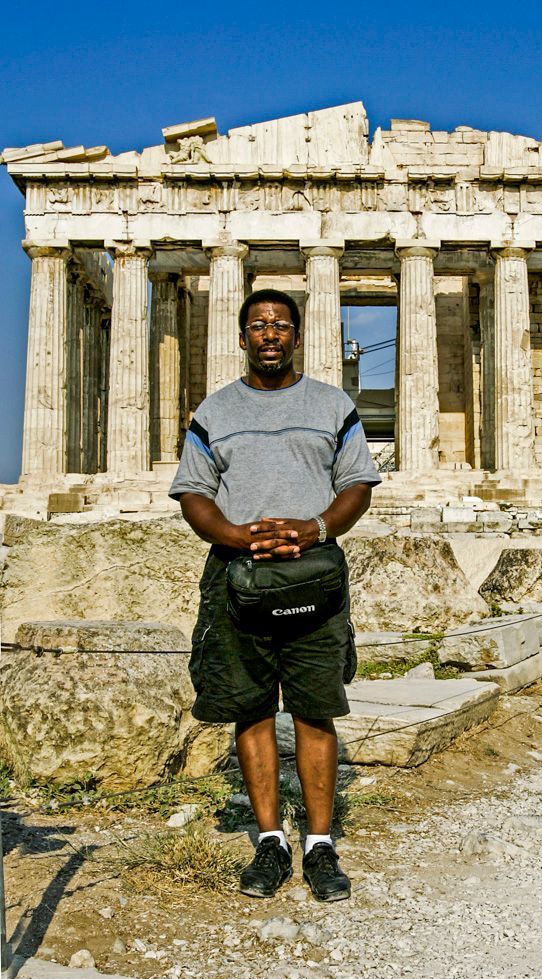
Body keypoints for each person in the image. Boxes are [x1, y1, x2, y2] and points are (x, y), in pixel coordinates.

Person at [169, 288, 380, 902]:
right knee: (251, 708)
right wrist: (235, 534)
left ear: (297, 337)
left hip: (315, 574)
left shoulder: (333, 404)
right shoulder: (214, 411)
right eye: (259, 326)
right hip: (238, 577)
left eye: (281, 325)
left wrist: (316, 528)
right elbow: (193, 491)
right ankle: (270, 841)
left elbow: (357, 484)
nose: (269, 334)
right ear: (242, 338)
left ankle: (320, 844)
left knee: (315, 709)